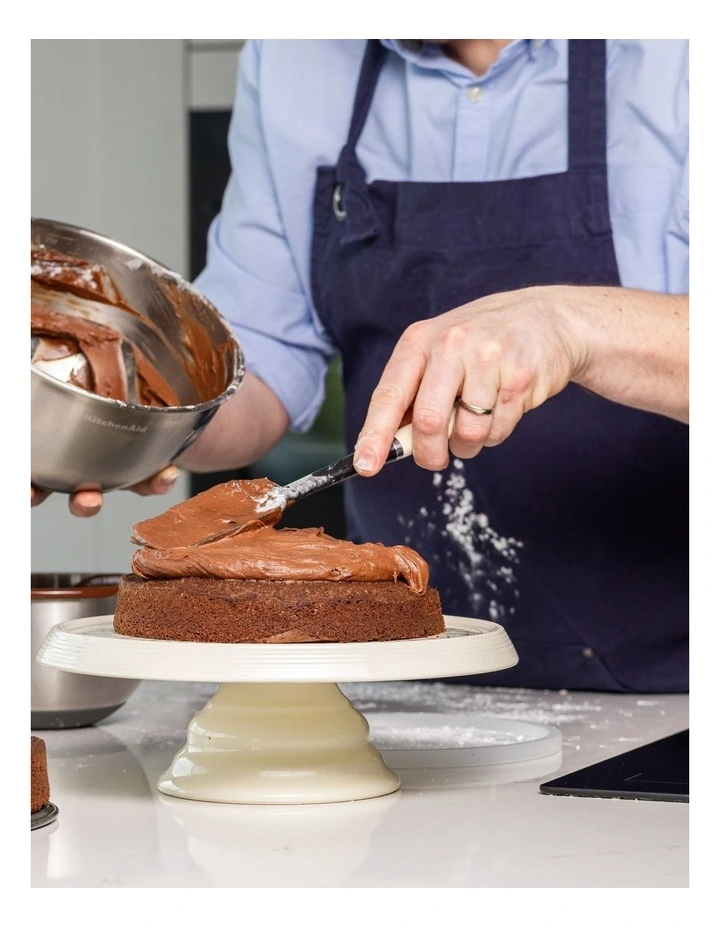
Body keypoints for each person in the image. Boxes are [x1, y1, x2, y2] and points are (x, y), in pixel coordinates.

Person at [34, 40, 689, 693]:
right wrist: (97, 416)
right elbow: (257, 359)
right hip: (390, 678)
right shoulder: (296, 53)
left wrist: (571, 325)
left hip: (674, 691)